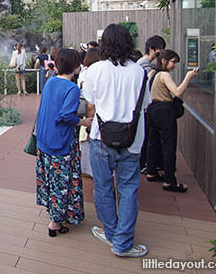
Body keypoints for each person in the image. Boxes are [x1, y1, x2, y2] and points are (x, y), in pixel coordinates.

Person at [83, 24, 151, 258]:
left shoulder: (95, 70)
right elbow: (145, 105)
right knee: (129, 190)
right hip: (133, 141)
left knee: (102, 188)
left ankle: (111, 233)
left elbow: (90, 101)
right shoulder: (140, 72)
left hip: (101, 139)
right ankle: (122, 243)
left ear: (104, 44)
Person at [36, 49, 92, 237]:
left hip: (44, 140)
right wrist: (83, 122)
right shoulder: (72, 88)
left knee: (50, 181)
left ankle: (55, 213)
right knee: (62, 182)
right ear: (76, 66)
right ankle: (55, 223)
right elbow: (66, 115)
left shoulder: (51, 81)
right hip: (61, 142)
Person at [145, 50, 198, 193]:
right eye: (173, 62)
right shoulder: (164, 75)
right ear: (164, 61)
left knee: (153, 142)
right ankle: (169, 180)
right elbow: (177, 92)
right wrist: (188, 77)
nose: (174, 65)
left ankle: (151, 171)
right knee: (169, 145)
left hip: (152, 109)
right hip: (164, 110)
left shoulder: (153, 73)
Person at [137, 35, 166, 171]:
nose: (161, 53)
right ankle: (144, 164)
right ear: (151, 49)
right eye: (160, 49)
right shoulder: (145, 66)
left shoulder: (143, 64)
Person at [78, 47, 100, 178]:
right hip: (92, 111)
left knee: (86, 143)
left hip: (86, 111)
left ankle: (87, 168)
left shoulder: (84, 72)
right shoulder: (93, 73)